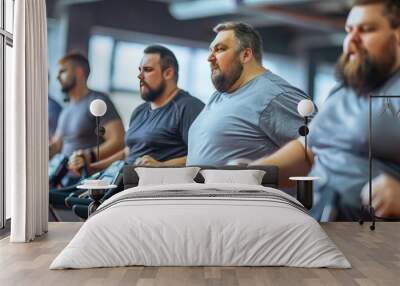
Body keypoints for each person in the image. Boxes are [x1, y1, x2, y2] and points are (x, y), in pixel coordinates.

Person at [252, 0, 400, 221]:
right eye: (350, 30)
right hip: (321, 225)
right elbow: (310, 150)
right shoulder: (345, 88)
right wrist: (254, 173)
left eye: (367, 30)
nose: (353, 39)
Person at [187, 22, 313, 166]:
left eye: (219, 49)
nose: (209, 58)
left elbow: (320, 148)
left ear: (246, 55)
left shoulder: (275, 95)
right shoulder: (218, 97)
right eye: (211, 50)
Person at [69, 45, 204, 175]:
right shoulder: (140, 111)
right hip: (122, 183)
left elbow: (203, 157)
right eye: (140, 70)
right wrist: (91, 167)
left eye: (148, 70)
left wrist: (161, 166)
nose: (140, 76)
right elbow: (129, 153)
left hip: (152, 191)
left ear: (168, 73)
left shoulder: (189, 107)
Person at [49, 52, 125, 185]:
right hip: (63, 180)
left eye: (63, 71)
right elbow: (57, 144)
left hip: (88, 181)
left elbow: (118, 140)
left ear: (79, 72)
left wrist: (88, 156)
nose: (57, 77)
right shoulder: (67, 108)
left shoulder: (98, 101)